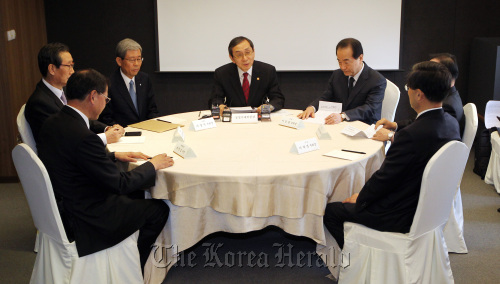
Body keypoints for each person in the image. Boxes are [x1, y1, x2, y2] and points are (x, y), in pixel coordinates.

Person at [37, 69, 173, 269]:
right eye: (106, 98)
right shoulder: (85, 137)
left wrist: (114, 155)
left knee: (138, 193)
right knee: (158, 209)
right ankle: (136, 266)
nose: (105, 103)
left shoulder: (54, 122)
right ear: (93, 96)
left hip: (67, 202)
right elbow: (120, 184)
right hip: (89, 216)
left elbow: (73, 156)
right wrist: (152, 165)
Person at [323, 61, 461, 248]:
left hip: (399, 214)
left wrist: (361, 198)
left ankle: (356, 261)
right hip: (430, 210)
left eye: (408, 88)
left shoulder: (409, 137)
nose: (408, 92)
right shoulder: (451, 123)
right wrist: (396, 126)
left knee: (332, 211)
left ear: (419, 94)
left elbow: (384, 179)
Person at [25, 43, 123, 144]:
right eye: (68, 66)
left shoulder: (67, 90)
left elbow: (81, 117)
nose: (72, 71)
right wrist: (104, 138)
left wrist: (106, 128)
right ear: (52, 69)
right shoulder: (40, 102)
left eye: (72, 66)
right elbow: (65, 139)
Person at [374, 53, 465, 141]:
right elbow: (421, 122)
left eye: (431, 68)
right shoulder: (449, 97)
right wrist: (394, 125)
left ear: (443, 74)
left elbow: (428, 133)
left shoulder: (448, 106)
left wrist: (392, 136)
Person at [297, 38, 386, 125]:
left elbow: (370, 108)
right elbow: (327, 96)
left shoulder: (377, 80)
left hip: (364, 126)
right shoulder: (337, 75)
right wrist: (312, 107)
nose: (342, 67)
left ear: (360, 58)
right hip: (341, 125)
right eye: (339, 62)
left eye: (346, 62)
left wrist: (343, 116)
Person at [210, 36, 285, 114]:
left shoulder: (267, 71)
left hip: (259, 116)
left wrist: (268, 107)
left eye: (248, 52)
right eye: (239, 55)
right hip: (233, 117)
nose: (245, 58)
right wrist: (220, 106)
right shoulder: (222, 73)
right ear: (232, 58)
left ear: (253, 52)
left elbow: (278, 99)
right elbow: (215, 99)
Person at [99, 38, 159, 127]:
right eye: (132, 60)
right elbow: (106, 117)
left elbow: (152, 109)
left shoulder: (144, 79)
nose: (137, 64)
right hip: (122, 135)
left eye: (139, 59)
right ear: (119, 61)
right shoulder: (109, 84)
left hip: (146, 132)